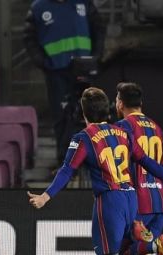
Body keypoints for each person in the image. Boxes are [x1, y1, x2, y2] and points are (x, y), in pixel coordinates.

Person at [27, 87, 163, 255]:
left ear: (83, 113)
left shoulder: (83, 138)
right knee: (127, 249)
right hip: (131, 197)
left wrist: (45, 197)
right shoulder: (123, 133)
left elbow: (67, 170)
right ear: (108, 110)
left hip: (110, 200)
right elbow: (147, 161)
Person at [23, 0, 106, 162]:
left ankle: (94, 157)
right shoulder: (38, 8)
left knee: (91, 113)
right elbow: (29, 39)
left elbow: (99, 29)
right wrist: (43, 62)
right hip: (56, 70)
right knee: (61, 115)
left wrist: (96, 56)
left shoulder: (84, 3)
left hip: (84, 68)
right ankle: (65, 160)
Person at [115, 82, 163, 255]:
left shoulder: (121, 127)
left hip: (137, 202)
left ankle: (155, 243)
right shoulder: (157, 128)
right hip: (159, 201)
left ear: (120, 103)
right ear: (141, 103)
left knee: (112, 254)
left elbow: (118, 165)